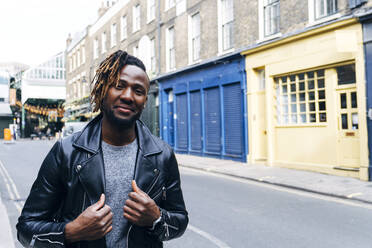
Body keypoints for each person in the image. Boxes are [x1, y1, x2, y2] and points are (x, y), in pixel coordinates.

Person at [16, 50, 188, 248]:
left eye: (138, 91)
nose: (128, 96)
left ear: (144, 102)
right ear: (102, 90)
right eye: (118, 86)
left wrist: (156, 219)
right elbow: (26, 229)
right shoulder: (66, 152)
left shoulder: (162, 155)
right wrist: (72, 231)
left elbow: (180, 219)